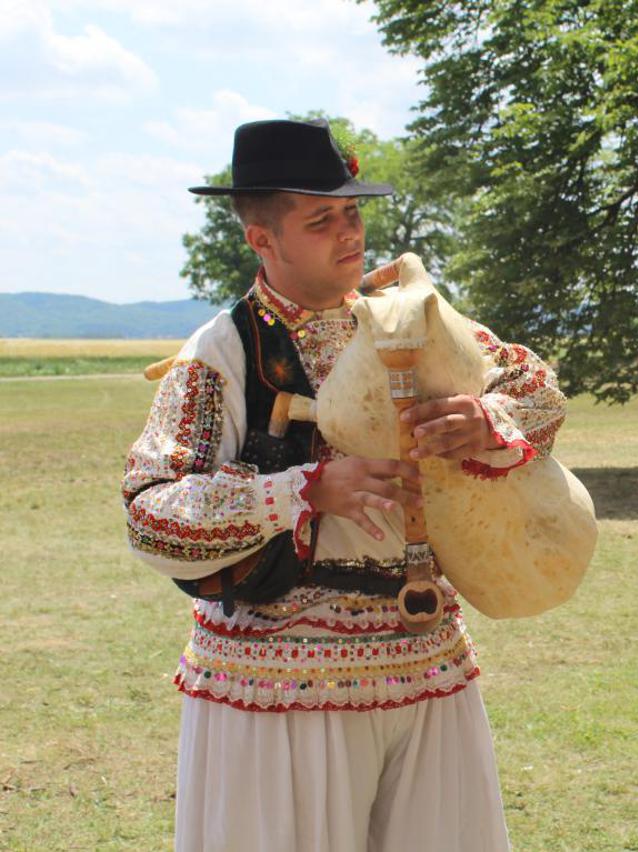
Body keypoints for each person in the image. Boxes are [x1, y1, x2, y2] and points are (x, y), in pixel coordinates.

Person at [122, 119, 565, 851]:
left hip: (424, 659)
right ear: (262, 240)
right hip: (276, 683)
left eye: (352, 212)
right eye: (320, 218)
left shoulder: (409, 315)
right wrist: (299, 490)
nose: (348, 231)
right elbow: (150, 514)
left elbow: (540, 397)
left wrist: (485, 420)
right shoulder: (223, 350)